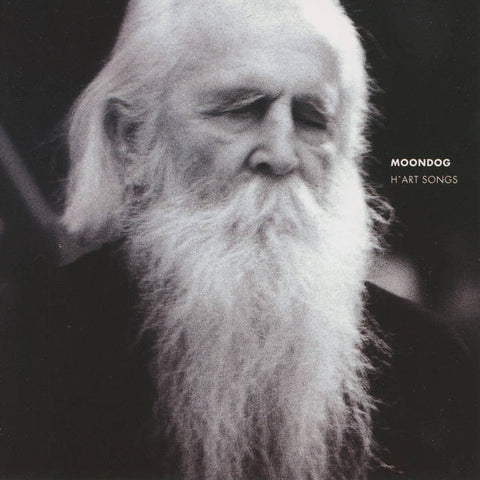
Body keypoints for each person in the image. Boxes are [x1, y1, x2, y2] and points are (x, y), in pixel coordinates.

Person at [1, 1, 477, 479]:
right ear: (130, 137)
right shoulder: (27, 351)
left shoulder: (427, 365)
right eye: (240, 111)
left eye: (312, 119)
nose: (282, 154)